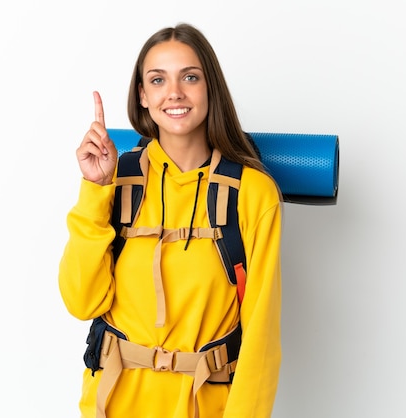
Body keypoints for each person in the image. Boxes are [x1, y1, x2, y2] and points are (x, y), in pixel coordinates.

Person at [59, 23, 282, 418]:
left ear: (210, 87)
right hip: (111, 405)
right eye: (158, 80)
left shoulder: (252, 193)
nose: (174, 92)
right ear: (143, 96)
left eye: (190, 77)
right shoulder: (115, 179)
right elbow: (82, 302)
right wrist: (95, 190)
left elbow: (261, 338)